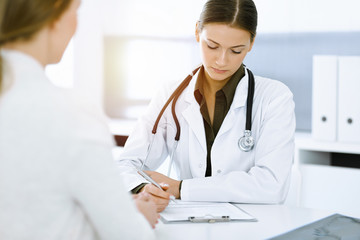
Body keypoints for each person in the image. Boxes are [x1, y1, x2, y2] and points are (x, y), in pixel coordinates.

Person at [117, 0, 296, 212]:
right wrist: (145, 188)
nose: (222, 61)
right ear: (197, 32)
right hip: (187, 225)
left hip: (251, 228)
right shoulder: (170, 96)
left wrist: (182, 188)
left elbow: (271, 185)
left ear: (251, 43)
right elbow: (125, 166)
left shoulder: (274, 98)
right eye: (212, 46)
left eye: (236, 51)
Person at [0, 0, 159, 239]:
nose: (76, 24)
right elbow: (127, 235)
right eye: (76, 11)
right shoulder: (70, 112)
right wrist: (139, 219)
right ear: (55, 12)